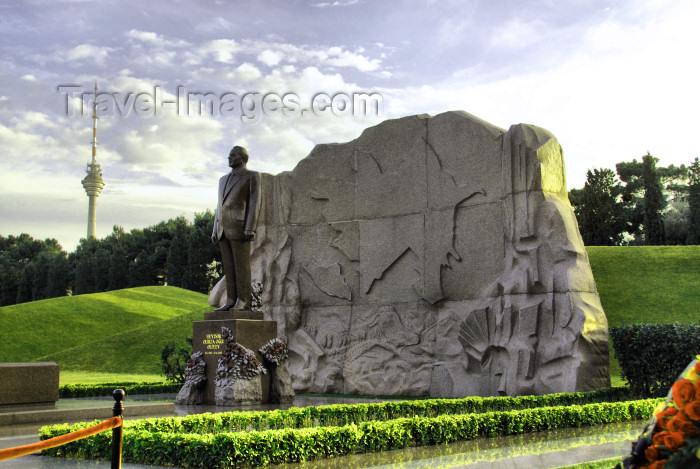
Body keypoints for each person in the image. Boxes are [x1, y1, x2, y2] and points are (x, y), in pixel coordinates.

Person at [211, 146, 261, 311]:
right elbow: (220, 206)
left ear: (242, 158)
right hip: (222, 229)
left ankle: (243, 301)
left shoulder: (252, 176)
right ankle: (230, 300)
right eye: (229, 155)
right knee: (229, 267)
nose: (229, 158)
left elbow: (254, 203)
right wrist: (214, 229)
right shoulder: (222, 180)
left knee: (241, 267)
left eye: (232, 155)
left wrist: (250, 228)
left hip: (240, 227)